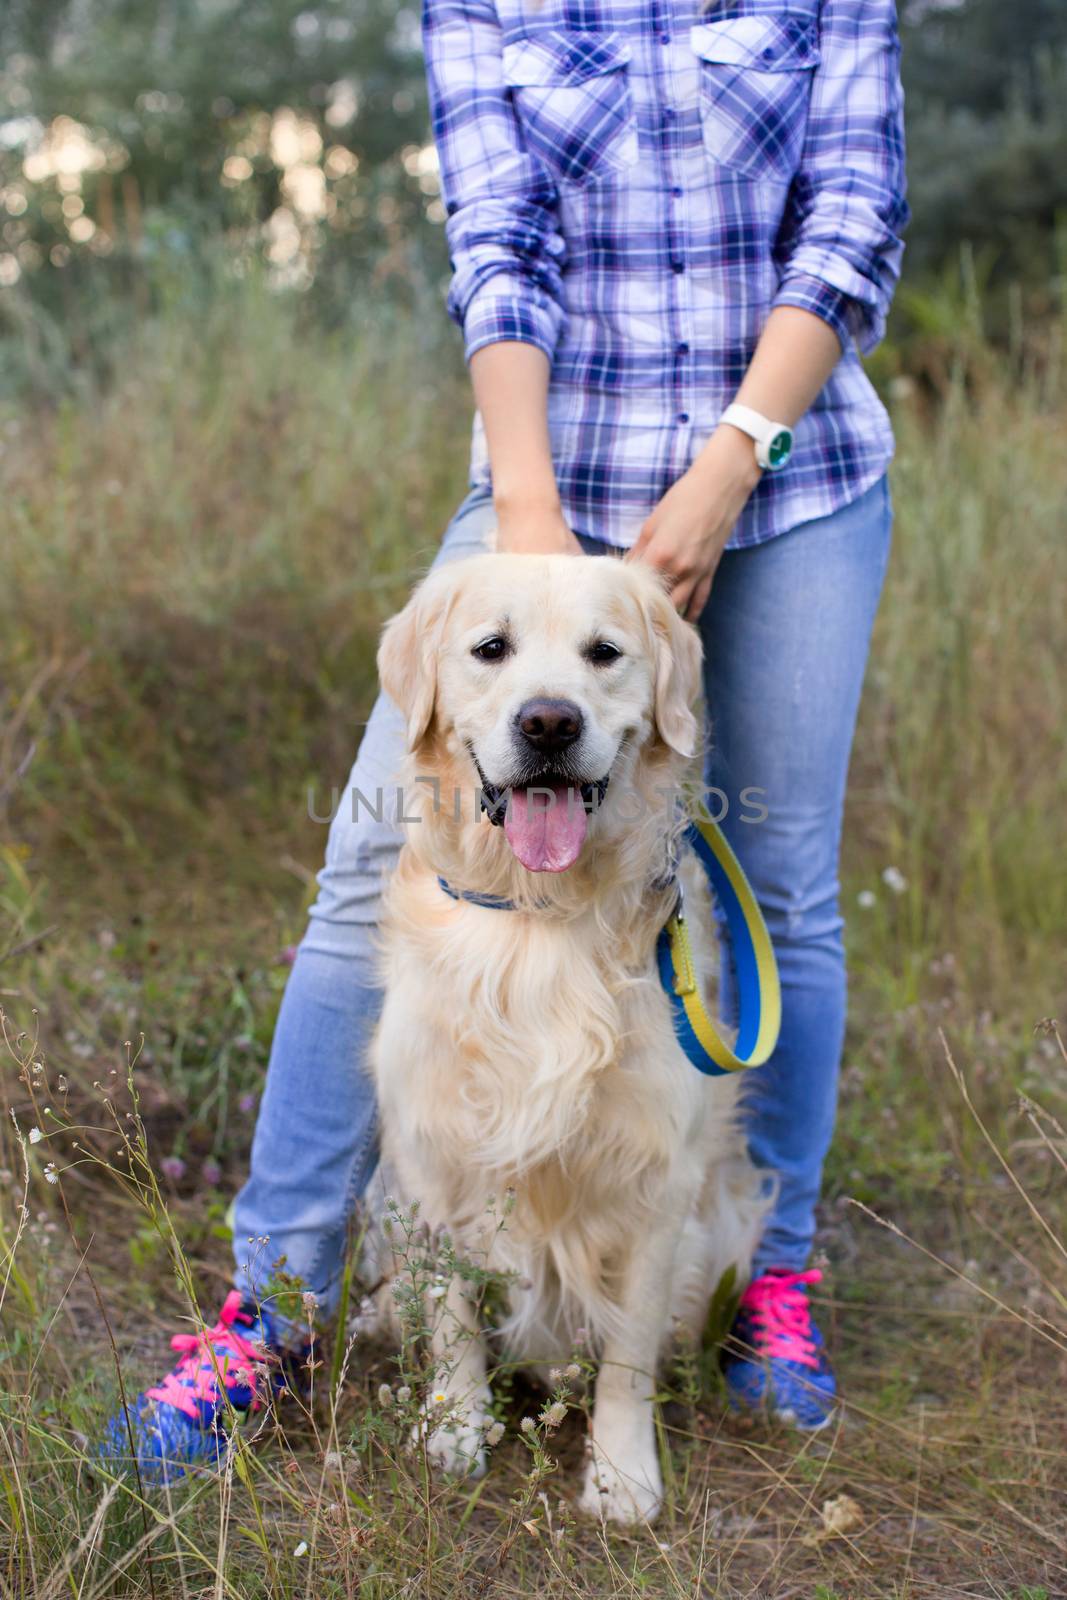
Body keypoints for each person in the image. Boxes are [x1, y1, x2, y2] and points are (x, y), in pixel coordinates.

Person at [101, 0, 907, 1477]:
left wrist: (729, 471)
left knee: (774, 878)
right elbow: (499, 241)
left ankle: (762, 1280)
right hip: (548, 467)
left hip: (786, 482)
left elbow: (852, 220)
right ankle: (270, 1311)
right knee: (373, 870)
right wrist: (528, 529)